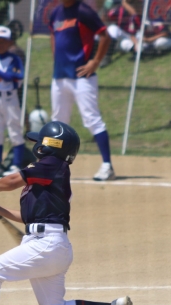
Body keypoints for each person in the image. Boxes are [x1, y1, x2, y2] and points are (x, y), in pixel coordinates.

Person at [0, 121, 139, 305]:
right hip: (51, 246)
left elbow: (14, 180)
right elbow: (28, 218)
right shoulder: (51, 175)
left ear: (50, 146)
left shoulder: (52, 164)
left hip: (46, 244)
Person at [49, 0, 116, 181]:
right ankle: (53, 166)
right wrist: (57, 59)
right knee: (57, 122)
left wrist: (95, 62)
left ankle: (107, 166)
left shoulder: (83, 11)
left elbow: (104, 35)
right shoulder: (55, 13)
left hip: (82, 77)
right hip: (60, 77)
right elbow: (53, 35)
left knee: (92, 119)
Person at [0, 25, 26, 177]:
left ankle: (17, 164)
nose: (0, 44)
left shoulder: (14, 59)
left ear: (9, 42)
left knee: (14, 131)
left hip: (10, 98)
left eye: (4, 41)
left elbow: (11, 77)